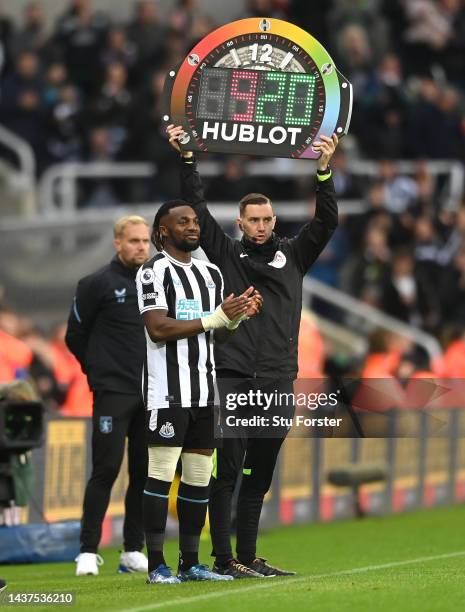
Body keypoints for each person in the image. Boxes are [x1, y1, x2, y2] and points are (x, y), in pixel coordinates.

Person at [167, 123, 339, 578]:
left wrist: (324, 172)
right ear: (240, 224)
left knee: (259, 475)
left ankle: (247, 555)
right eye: (253, 220)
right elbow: (199, 212)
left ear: (274, 222)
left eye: (267, 220)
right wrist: (188, 160)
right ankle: (223, 559)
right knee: (228, 472)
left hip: (280, 377)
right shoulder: (225, 252)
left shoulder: (294, 255)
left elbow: (326, 223)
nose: (261, 226)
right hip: (234, 376)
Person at [138, 200, 262, 584]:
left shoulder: (210, 273)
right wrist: (215, 317)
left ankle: (190, 563)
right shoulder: (152, 272)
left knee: (197, 476)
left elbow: (217, 333)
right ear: (162, 231)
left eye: (194, 221)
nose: (192, 227)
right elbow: (158, 328)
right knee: (160, 474)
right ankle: (156, 564)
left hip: (204, 391)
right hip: (168, 392)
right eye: (182, 222)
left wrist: (236, 317)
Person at [65, 215, 151, 576]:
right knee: (105, 470)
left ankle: (133, 550)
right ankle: (87, 550)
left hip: (151, 393)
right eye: (134, 241)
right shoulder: (96, 283)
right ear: (118, 243)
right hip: (112, 392)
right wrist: (98, 371)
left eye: (146, 242)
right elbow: (75, 336)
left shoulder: (158, 283)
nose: (141, 248)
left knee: (144, 473)